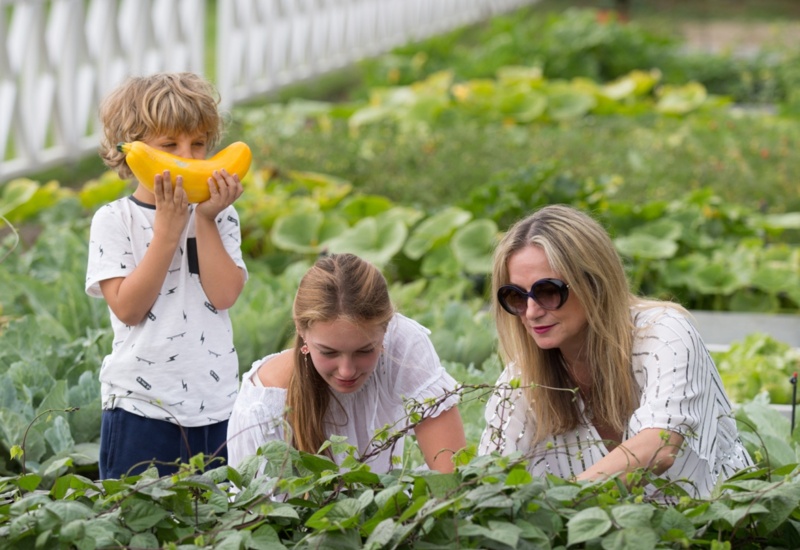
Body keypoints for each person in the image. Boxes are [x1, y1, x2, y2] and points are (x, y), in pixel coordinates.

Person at [479, 204, 752, 498]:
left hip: (719, 521)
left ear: (594, 283)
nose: (531, 312)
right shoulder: (524, 379)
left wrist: (558, 504)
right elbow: (489, 479)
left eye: (548, 291)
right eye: (516, 296)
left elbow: (659, 447)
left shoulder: (665, 335)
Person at [85, 72, 248, 479]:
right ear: (133, 151)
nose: (187, 157)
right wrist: (167, 233)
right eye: (170, 145)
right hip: (140, 407)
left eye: (199, 144)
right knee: (136, 514)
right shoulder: (114, 219)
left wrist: (205, 220)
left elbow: (225, 295)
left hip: (216, 404)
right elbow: (128, 309)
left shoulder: (220, 214)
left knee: (215, 514)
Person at [227, 253, 466, 474]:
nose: (347, 371)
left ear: (386, 331)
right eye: (329, 352)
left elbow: (451, 475)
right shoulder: (264, 408)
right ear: (301, 329)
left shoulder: (403, 344)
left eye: (364, 350)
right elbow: (261, 505)